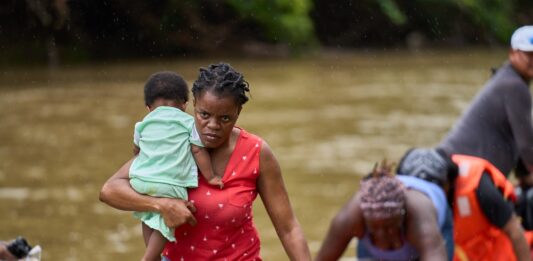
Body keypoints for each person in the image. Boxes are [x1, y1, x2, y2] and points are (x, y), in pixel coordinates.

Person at [99, 63, 311, 260]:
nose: (213, 126)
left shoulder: (256, 152)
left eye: (225, 118)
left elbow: (289, 229)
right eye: (204, 114)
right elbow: (110, 190)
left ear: (238, 112)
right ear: (192, 106)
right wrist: (162, 205)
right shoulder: (170, 142)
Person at [127, 71, 223, 261]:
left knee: (149, 214)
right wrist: (211, 176)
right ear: (185, 105)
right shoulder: (188, 122)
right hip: (169, 184)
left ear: (148, 107)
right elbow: (197, 150)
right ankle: (149, 258)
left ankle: (151, 254)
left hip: (140, 180)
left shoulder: (142, 124)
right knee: (167, 219)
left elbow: (137, 149)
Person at [438, 25, 533, 183]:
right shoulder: (515, 86)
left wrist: (523, 176)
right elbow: (527, 148)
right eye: (529, 55)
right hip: (464, 174)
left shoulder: (505, 79)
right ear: (512, 54)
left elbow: (521, 148)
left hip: (454, 166)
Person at [400, 148, 531, 261]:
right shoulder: (402, 198)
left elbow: (515, 231)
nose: (424, 199)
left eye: (430, 192)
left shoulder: (479, 187)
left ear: (447, 184)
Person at [315, 160, 452, 261]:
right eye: (374, 228)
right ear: (364, 218)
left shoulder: (420, 217)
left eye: (390, 227)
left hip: (432, 229)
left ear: (402, 215)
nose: (383, 235)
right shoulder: (349, 219)